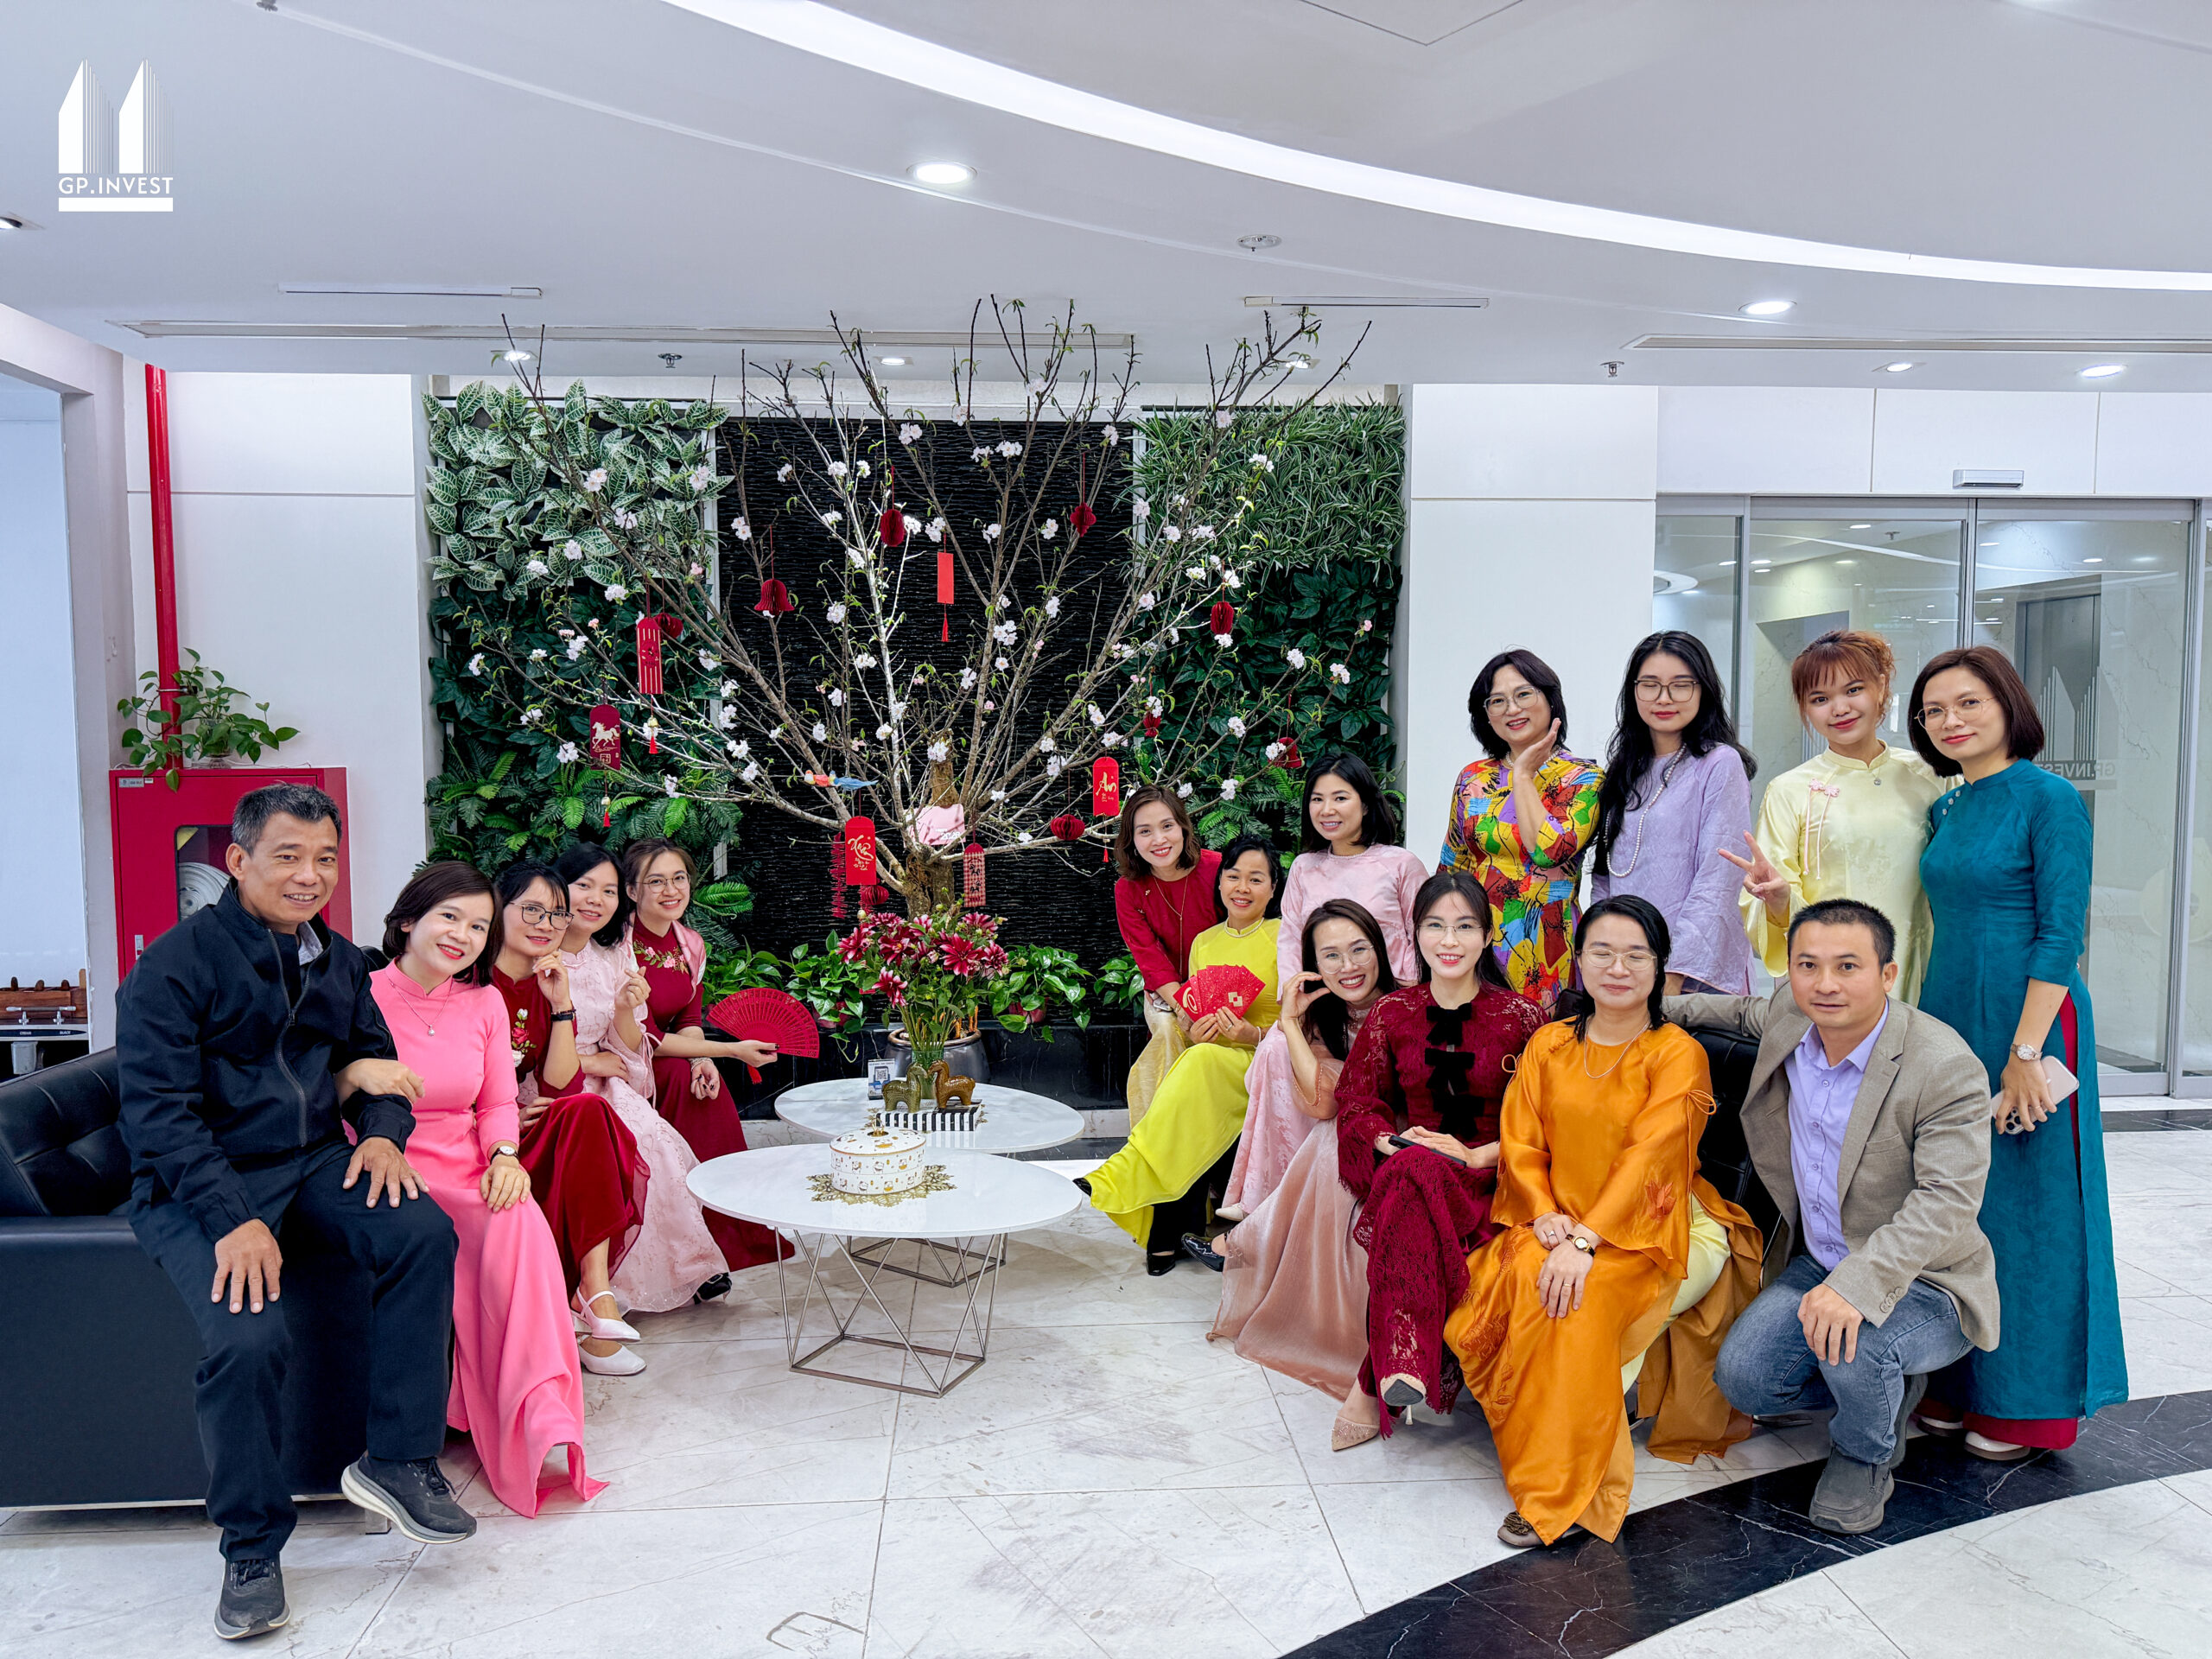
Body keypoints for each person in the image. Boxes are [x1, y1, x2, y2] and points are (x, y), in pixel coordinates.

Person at [116, 784, 473, 1642]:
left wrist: (382, 1136)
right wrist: (231, 1217)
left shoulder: (340, 962)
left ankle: (398, 1458)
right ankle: (250, 1548)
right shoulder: (172, 967)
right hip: (197, 1183)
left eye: (324, 859)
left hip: (311, 1160)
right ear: (238, 861)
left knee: (423, 1232)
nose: (309, 875)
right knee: (248, 1341)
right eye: (288, 856)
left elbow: (375, 1064)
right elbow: (159, 1117)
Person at [1444, 896, 1762, 1549]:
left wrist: (1587, 1240)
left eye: (1636, 955)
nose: (1619, 968)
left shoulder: (1674, 1054)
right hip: (1557, 1219)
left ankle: (1561, 1494)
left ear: (1660, 966)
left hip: (1658, 1229)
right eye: (1603, 952)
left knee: (1575, 1310)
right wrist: (1544, 1215)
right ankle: (1542, 1434)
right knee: (1506, 1280)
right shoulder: (1550, 1043)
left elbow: (1653, 1160)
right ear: (1580, 961)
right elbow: (1522, 1141)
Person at [1674, 899, 1997, 1535]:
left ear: (1888, 973)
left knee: (1857, 1344)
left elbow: (1948, 1199)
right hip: (1818, 1260)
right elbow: (1732, 1011)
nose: (1826, 984)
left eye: (1848, 966)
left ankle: (1864, 1453)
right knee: (1746, 1381)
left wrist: (1856, 1287)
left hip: (1926, 1281)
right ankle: (1879, 1389)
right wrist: (1635, 1004)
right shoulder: (1792, 1017)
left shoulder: (1943, 1065)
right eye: (1808, 965)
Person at [1909, 645, 2127, 1458]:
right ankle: (1955, 1382)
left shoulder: (2050, 798)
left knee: (2029, 1211)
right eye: (1934, 711)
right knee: (1955, 1199)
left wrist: (2026, 1050)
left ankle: (2023, 1405)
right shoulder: (1948, 807)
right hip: (1951, 1016)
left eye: (1968, 702)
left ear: (2008, 704)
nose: (1951, 720)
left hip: (2028, 1024)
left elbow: (2061, 934)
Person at [365, 863, 604, 1518]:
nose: (463, 935)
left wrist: (504, 1157)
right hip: (394, 1159)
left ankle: (540, 1416)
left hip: (470, 1158)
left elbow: (497, 1100)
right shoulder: (364, 994)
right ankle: (459, 1408)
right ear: (407, 920)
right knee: (430, 1238)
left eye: (477, 926)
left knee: (520, 1225)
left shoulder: (483, 1003)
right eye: (449, 917)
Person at [1329, 869, 1545, 1451]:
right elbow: (1357, 1103)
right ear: (1416, 933)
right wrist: (1388, 1141)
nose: (1449, 941)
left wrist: (1476, 1155)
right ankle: (1398, 1365)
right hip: (1414, 1172)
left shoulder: (1523, 1018)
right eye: (1435, 926)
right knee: (1414, 1169)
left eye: (1465, 927)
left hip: (1494, 1176)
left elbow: (1548, 1121)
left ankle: (1377, 1377)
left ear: (1487, 935)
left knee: (1413, 1177)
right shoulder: (1391, 1013)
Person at [1202, 899, 1397, 1401]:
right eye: (1330, 956)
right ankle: (1250, 1238)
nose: (1348, 966)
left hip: (1405, 1137)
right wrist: (1289, 1024)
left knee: (1334, 1138)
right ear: (1313, 966)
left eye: (1359, 949)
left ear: (1380, 949)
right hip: (1354, 1137)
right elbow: (1323, 1102)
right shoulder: (1321, 1019)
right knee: (1331, 1132)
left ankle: (1249, 1238)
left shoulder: (1405, 1006)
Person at [1218, 755, 1427, 1219]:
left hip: (1386, 1012)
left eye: (1340, 797)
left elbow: (1421, 938)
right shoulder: (1305, 867)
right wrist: (1296, 1006)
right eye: (1317, 799)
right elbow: (1292, 937)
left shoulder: (1400, 864)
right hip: (1324, 1011)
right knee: (1276, 1047)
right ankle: (1266, 1199)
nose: (1327, 809)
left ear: (1366, 803)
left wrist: (1409, 1005)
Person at [1083, 836, 1281, 1273]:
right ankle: (1168, 1220)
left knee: (1194, 1068)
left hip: (1263, 1059)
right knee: (1192, 1067)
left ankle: (1132, 1184)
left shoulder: (1284, 937)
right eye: (1233, 876)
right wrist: (1195, 1029)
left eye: (1256, 879)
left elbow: (1304, 1024)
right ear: (1220, 883)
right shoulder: (1204, 943)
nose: (1242, 888)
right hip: (1209, 1063)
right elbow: (1195, 1016)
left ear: (1273, 887)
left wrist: (1253, 1033)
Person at [1719, 628, 1947, 1000]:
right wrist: (1779, 901)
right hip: (1833, 981)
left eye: (1853, 690)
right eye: (1820, 699)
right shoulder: (1789, 790)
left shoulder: (1933, 777)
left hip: (1926, 972)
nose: (1839, 709)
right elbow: (1772, 897)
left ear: (1881, 687)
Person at [488, 861, 652, 1376]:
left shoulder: (546, 983)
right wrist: (504, 1118)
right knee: (588, 1114)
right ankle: (593, 1308)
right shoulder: (473, 981)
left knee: (586, 1108)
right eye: (532, 910)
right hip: (482, 1141)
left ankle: (594, 1292)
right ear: (498, 909)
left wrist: (561, 1006)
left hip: (521, 1129)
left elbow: (560, 1086)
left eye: (556, 914)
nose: (546, 924)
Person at [553, 843, 728, 1316]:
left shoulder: (612, 955)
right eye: (584, 886)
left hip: (610, 1076)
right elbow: (526, 1041)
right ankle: (604, 1282)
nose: (596, 899)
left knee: (659, 1143)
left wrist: (625, 1010)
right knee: (632, 1145)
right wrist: (592, 1063)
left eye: (606, 891)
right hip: (559, 1083)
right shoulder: (541, 954)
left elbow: (629, 1041)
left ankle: (689, 1264)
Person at [620, 837, 786, 1272]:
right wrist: (729, 1050)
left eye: (679, 878)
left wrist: (702, 1060)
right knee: (680, 1080)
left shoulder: (689, 943)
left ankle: (728, 1230)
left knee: (706, 1086)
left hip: (670, 1058)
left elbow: (687, 1019)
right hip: (622, 1059)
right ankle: (685, 1242)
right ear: (632, 891)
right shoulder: (619, 948)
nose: (671, 890)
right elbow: (645, 1036)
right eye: (655, 881)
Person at [1590, 632, 1756, 995]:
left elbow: (1718, 880)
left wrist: (1674, 970)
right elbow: (1606, 875)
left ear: (1703, 690)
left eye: (1681, 685)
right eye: (1650, 685)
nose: (1663, 698)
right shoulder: (1625, 769)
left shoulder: (1719, 763)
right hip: (1625, 967)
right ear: (1633, 691)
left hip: (1689, 977)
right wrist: (1602, 951)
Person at [1439, 649, 1604, 1007]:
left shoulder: (1583, 778)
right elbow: (1452, 865)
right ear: (1485, 715)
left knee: (1540, 1037)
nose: (1512, 709)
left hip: (1546, 942)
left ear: (1550, 699)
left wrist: (1524, 776)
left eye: (1524, 694)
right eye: (1497, 701)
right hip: (1474, 939)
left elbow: (1549, 851)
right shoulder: (1473, 778)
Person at [1112, 785, 1223, 1125]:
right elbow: (1150, 959)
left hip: (1221, 987)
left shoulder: (1219, 870)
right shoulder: (1127, 889)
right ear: (1132, 840)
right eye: (1145, 831)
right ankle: (1156, 1132)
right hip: (1168, 992)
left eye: (1167, 826)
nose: (1159, 840)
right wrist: (1184, 1007)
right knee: (1166, 1030)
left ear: (1183, 828)